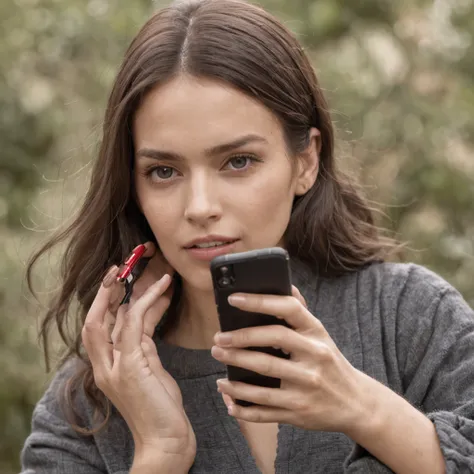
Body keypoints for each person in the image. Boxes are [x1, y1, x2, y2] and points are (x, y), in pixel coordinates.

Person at [20, 0, 474, 473]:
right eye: (163, 171)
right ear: (132, 186)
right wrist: (161, 450)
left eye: (238, 161)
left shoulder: (409, 318)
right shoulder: (88, 404)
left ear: (305, 162)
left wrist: (364, 408)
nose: (199, 207)